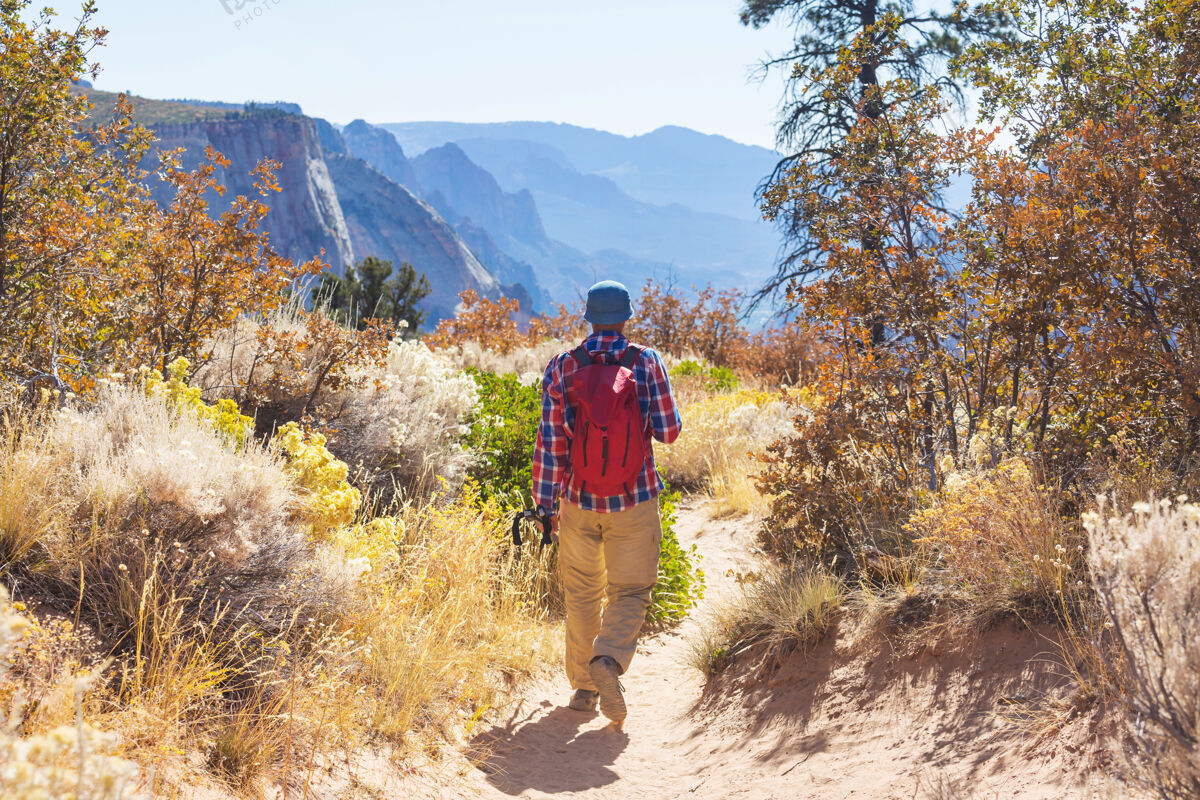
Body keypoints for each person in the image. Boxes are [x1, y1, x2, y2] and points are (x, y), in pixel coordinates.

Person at [531, 280, 682, 728]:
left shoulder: (562, 366)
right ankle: (610, 660)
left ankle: (583, 689)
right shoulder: (646, 362)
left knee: (581, 592)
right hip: (634, 500)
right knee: (631, 590)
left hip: (579, 500)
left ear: (589, 318)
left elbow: (551, 443)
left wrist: (545, 505)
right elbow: (670, 431)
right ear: (627, 316)